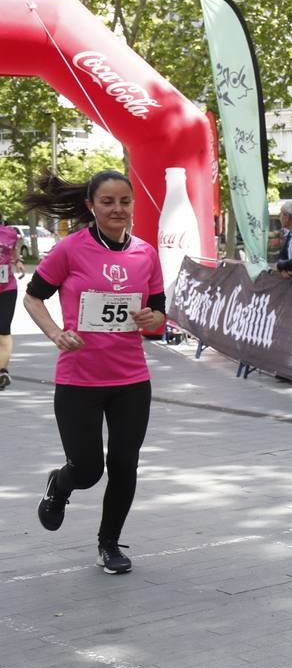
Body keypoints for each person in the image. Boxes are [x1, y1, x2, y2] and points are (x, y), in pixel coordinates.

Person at [22, 170, 168, 575]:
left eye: (124, 201)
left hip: (131, 380)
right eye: (108, 202)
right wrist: (56, 333)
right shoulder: (70, 250)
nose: (117, 209)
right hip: (79, 379)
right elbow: (33, 298)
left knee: (124, 463)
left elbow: (158, 314)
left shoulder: (145, 253)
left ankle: (109, 544)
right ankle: (60, 486)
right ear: (91, 205)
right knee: (88, 470)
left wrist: (149, 316)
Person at [0, 213, 25, 390]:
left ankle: (2, 371)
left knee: (3, 330)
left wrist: (18, 262)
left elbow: (14, 252)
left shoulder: (10, 234)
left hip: (7, 288)